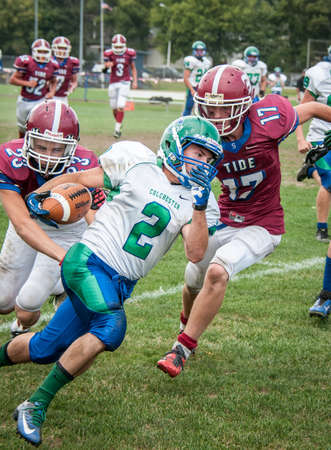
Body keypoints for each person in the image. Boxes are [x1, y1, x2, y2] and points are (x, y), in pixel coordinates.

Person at [0, 115, 223, 446]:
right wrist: (42, 194)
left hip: (120, 282)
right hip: (88, 260)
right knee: (111, 327)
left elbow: (196, 251)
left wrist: (201, 207)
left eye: (209, 157)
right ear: (175, 145)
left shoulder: (200, 201)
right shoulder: (138, 164)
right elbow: (79, 178)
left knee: (45, 347)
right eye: (197, 152)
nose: (202, 162)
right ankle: (35, 405)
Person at [156, 64, 331, 378]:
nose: (215, 117)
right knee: (193, 278)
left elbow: (316, 108)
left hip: (263, 223)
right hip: (223, 217)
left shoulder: (269, 118)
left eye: (224, 110)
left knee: (217, 270)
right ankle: (186, 323)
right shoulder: (199, 134)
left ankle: (182, 347)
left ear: (244, 106)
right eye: (209, 108)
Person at [0, 100, 101, 338]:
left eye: (57, 149)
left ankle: (52, 289)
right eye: (42, 146)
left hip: (67, 228)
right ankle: (58, 285)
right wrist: (64, 258)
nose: (48, 157)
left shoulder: (85, 162)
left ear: (72, 147)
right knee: (3, 302)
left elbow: (93, 216)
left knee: (27, 305)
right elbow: (22, 224)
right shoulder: (9, 157)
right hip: (27, 221)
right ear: (27, 138)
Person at [295, 45, 331, 242]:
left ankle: (310, 170)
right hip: (321, 137)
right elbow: (299, 112)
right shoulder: (319, 75)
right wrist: (301, 138)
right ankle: (322, 228)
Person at [9, 39, 59, 138]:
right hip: (24, 100)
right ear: (34, 51)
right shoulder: (27, 62)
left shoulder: (52, 65)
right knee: (22, 128)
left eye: (45, 52)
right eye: (40, 51)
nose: (43, 54)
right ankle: (21, 144)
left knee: (39, 127)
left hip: (40, 100)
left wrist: (52, 92)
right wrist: (27, 83)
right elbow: (12, 80)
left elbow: (54, 80)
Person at [103, 33, 138, 139]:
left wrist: (135, 81)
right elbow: (104, 70)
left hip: (125, 82)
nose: (118, 49)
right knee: (114, 108)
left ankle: (117, 129)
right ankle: (119, 123)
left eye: (120, 46)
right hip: (113, 82)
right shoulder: (108, 54)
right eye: (116, 46)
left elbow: (133, 68)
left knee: (120, 106)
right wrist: (107, 66)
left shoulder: (129, 53)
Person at [182, 41, 211, 116]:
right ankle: (183, 124)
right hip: (194, 87)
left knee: (205, 110)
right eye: (197, 51)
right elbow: (185, 78)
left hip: (203, 88)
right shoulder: (191, 60)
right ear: (194, 51)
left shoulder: (207, 62)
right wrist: (191, 90)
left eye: (201, 51)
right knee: (188, 108)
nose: (199, 53)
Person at [51, 36, 80, 104]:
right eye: (59, 48)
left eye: (64, 48)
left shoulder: (72, 62)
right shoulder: (49, 61)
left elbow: (74, 81)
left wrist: (72, 87)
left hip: (63, 97)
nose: (61, 50)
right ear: (54, 48)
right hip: (47, 96)